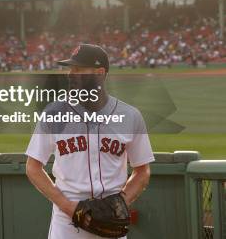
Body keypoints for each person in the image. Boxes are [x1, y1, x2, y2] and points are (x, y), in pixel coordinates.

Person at [25, 44, 154, 239]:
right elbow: (33, 167)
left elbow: (142, 171)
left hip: (112, 221)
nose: (70, 74)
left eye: (78, 69)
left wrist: (121, 203)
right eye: (70, 68)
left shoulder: (130, 116)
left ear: (100, 73)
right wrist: (70, 208)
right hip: (67, 224)